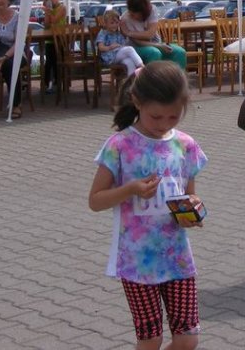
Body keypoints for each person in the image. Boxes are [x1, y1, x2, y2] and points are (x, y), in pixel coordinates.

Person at [88, 61, 207, 350]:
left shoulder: (185, 145)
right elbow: (95, 200)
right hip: (137, 260)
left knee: (188, 339)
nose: (164, 124)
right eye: (156, 116)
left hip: (177, 257)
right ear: (137, 101)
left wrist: (193, 209)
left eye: (173, 117)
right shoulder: (119, 145)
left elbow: (189, 195)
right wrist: (130, 189)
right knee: (150, 339)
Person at [120, 0, 187, 68]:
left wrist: (128, 33)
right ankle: (152, 75)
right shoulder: (125, 19)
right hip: (136, 47)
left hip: (156, 43)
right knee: (154, 53)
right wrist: (159, 45)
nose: (131, 15)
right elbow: (138, 42)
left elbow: (149, 34)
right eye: (131, 13)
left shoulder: (151, 10)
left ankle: (177, 75)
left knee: (180, 52)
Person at [96, 10, 144, 78]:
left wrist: (122, 45)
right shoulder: (103, 33)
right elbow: (100, 47)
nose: (114, 25)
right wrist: (110, 47)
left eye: (116, 22)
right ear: (105, 23)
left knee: (130, 62)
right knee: (129, 49)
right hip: (110, 57)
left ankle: (131, 81)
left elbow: (123, 45)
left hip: (118, 55)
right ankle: (142, 67)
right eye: (112, 23)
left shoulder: (118, 33)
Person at [40, 0, 66, 94]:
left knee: (58, 60)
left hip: (61, 40)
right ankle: (48, 83)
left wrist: (50, 11)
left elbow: (55, 20)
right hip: (50, 40)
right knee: (49, 61)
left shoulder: (62, 8)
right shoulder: (49, 10)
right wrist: (47, 12)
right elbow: (46, 25)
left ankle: (58, 81)